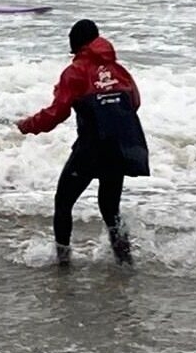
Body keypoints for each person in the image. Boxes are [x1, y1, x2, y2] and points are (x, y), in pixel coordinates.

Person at [16, 20, 149, 266]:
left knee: (63, 201)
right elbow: (135, 102)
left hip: (91, 148)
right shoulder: (119, 70)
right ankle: (125, 261)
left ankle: (63, 262)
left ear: (75, 43)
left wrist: (28, 125)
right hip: (118, 147)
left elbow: (58, 112)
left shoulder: (75, 71)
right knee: (110, 208)